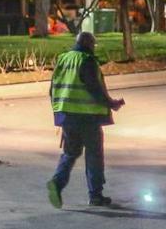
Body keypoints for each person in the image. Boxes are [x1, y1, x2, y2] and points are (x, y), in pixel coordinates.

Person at [46, 31, 124, 208]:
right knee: (94, 154)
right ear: (89, 44)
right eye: (93, 45)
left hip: (67, 116)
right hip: (87, 117)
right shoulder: (87, 61)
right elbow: (94, 89)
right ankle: (95, 195)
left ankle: (57, 183)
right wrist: (112, 104)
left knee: (70, 153)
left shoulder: (63, 59)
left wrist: (60, 115)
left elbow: (53, 90)